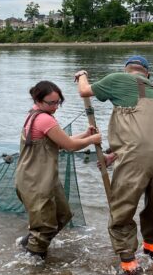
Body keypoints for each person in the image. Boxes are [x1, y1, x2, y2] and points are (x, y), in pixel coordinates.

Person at [75, 55, 153, 275]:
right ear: (147, 73)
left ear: (126, 70)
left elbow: (84, 91)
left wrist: (82, 75)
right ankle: (151, 250)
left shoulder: (119, 79)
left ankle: (128, 262)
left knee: (121, 206)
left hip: (138, 154)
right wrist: (114, 154)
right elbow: (148, 128)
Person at [15, 80, 102, 259]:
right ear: (38, 100)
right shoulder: (43, 119)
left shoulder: (37, 115)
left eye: (58, 102)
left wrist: (85, 135)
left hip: (44, 179)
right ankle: (34, 264)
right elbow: (69, 145)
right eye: (51, 103)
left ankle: (27, 243)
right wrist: (93, 140)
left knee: (62, 215)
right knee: (45, 226)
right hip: (35, 181)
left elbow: (60, 143)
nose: (55, 107)